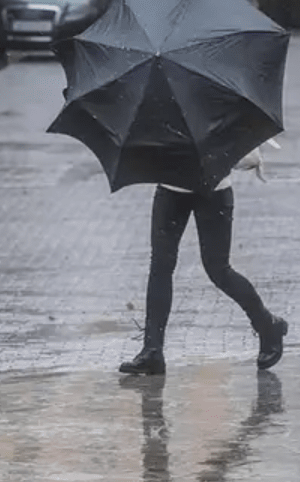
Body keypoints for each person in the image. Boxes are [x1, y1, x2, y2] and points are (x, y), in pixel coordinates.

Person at [119, 144, 288, 376]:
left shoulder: (219, 106)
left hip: (214, 190)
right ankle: (152, 351)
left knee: (218, 269)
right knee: (160, 265)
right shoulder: (162, 107)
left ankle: (268, 325)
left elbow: (240, 154)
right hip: (171, 188)